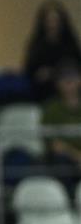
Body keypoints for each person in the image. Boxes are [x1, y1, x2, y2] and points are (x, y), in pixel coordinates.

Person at [23, 0, 81, 103]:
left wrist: (56, 72)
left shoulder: (69, 43)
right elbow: (28, 69)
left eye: (56, 20)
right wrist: (39, 74)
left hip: (67, 88)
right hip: (42, 90)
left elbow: (76, 64)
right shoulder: (37, 44)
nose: (52, 24)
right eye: (49, 21)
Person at [43, 59, 81, 194]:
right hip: (66, 160)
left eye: (72, 77)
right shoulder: (51, 109)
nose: (69, 82)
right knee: (60, 161)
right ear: (57, 83)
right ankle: (67, 200)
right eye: (64, 78)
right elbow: (55, 145)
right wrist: (78, 157)